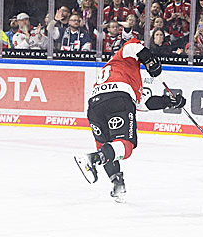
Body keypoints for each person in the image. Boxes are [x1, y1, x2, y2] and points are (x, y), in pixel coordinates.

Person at [74, 38, 186, 201]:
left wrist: (169, 102)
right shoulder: (124, 54)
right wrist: (150, 59)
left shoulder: (117, 72)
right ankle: (93, 159)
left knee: (108, 149)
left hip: (94, 107)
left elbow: (144, 103)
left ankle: (117, 184)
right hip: (118, 100)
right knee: (127, 145)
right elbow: (134, 46)